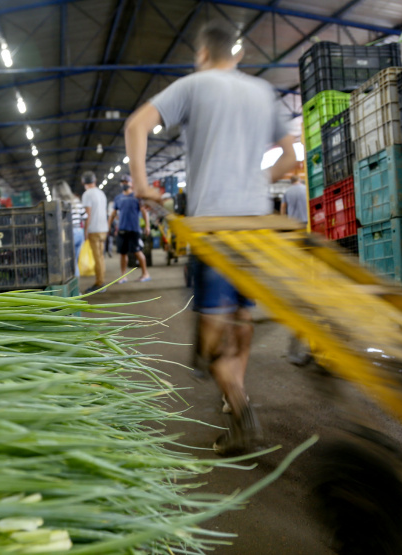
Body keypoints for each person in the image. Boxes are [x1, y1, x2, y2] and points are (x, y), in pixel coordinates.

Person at [124, 20, 298, 454]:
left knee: (212, 335)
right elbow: (292, 157)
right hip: (255, 227)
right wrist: (259, 179)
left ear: (202, 54)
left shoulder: (194, 85)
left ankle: (240, 410)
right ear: (236, 56)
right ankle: (231, 392)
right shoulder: (261, 92)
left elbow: (136, 125)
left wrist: (142, 184)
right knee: (240, 317)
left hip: (213, 225)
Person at [108, 177, 151, 283]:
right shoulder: (118, 198)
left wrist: (147, 226)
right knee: (122, 253)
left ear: (131, 183)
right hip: (122, 229)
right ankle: (123, 276)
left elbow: (144, 212)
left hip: (134, 229)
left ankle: (145, 274)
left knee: (137, 251)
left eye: (126, 182)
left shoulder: (137, 197)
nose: (124, 184)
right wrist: (108, 225)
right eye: (122, 182)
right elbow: (113, 213)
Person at [80, 171, 108, 293]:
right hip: (103, 229)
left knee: (97, 257)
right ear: (95, 180)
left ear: (83, 182)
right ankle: (101, 280)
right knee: (101, 257)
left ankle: (100, 283)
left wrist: (85, 231)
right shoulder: (101, 193)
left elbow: (88, 214)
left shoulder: (87, 194)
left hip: (94, 229)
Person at [54, 180, 86, 278]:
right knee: (75, 260)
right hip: (79, 233)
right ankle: (76, 289)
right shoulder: (76, 201)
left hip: (68, 233)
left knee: (69, 262)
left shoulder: (58, 203)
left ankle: (75, 290)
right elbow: (85, 216)